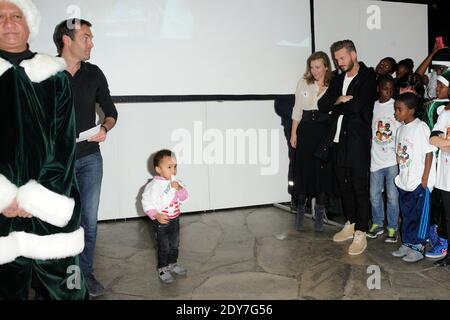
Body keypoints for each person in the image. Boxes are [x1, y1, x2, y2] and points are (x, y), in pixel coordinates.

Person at [0, 0, 87, 299]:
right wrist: (5, 198)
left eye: (16, 16)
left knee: (69, 290)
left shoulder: (56, 77)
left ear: (29, 24)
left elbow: (64, 146)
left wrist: (35, 199)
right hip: (0, 214)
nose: (8, 23)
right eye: (0, 18)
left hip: (50, 205)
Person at [53, 18, 118, 297]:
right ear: (67, 40)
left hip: (90, 159)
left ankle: (84, 275)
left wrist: (104, 127)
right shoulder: (45, 73)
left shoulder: (94, 73)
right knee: (60, 223)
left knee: (88, 223)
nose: (91, 43)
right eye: (86, 38)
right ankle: (61, 277)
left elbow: (110, 109)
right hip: (55, 164)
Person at [318, 40, 377, 256]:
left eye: (342, 58)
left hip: (357, 141)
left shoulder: (368, 76)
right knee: (343, 186)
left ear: (354, 54)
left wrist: (337, 103)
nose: (339, 62)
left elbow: (358, 106)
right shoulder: (338, 77)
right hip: (337, 140)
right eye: (336, 59)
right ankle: (351, 223)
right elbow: (322, 104)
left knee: (359, 187)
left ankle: (361, 231)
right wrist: (340, 100)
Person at [290, 51, 334, 232]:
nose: (314, 71)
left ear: (326, 66)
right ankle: (301, 210)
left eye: (318, 67)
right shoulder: (303, 82)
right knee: (303, 171)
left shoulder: (334, 84)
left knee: (322, 173)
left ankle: (320, 214)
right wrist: (294, 133)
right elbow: (297, 109)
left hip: (324, 131)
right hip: (306, 130)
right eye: (312, 67)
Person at [392, 93, 437, 263]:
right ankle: (408, 243)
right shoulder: (400, 129)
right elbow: (399, 153)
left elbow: (429, 153)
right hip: (405, 181)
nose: (396, 113)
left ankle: (418, 246)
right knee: (407, 214)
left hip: (419, 182)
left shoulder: (421, 127)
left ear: (411, 110)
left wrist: (425, 179)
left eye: (399, 109)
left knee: (419, 216)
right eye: (396, 109)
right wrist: (400, 174)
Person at [141, 150, 189, 284]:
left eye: (175, 166)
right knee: (164, 247)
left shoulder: (176, 182)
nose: (173, 170)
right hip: (161, 223)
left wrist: (179, 189)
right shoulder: (153, 186)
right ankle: (162, 268)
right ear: (158, 169)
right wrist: (155, 214)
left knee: (174, 244)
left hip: (175, 220)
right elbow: (146, 202)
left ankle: (172, 264)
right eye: (169, 167)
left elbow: (184, 197)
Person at [368, 75, 401, 243]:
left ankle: (392, 227)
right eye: (384, 88)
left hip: (392, 161)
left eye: (390, 89)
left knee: (392, 197)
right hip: (376, 159)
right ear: (378, 89)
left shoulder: (396, 106)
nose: (387, 92)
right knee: (374, 195)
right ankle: (377, 223)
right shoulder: (373, 106)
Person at [430, 99, 450, 266]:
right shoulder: (446, 113)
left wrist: (445, 143)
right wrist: (445, 144)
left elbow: (440, 141)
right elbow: (433, 139)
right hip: (446, 176)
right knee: (448, 217)